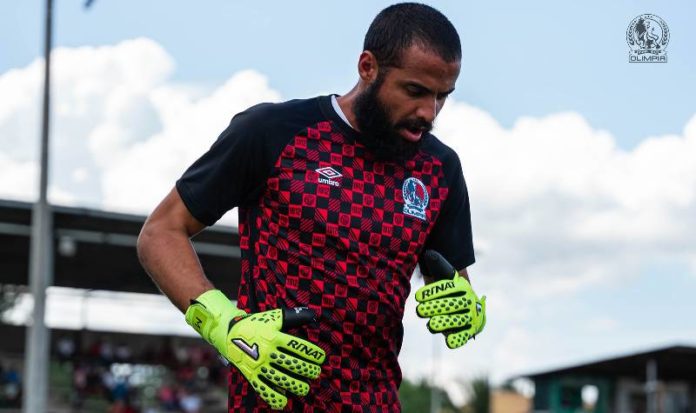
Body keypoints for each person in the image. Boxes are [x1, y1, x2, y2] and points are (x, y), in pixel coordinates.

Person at [137, 3, 486, 411]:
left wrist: (463, 307)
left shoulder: (440, 169)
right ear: (367, 67)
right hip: (271, 402)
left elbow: (449, 282)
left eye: (442, 96)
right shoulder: (272, 131)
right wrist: (222, 323)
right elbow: (160, 233)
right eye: (414, 91)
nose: (429, 112)